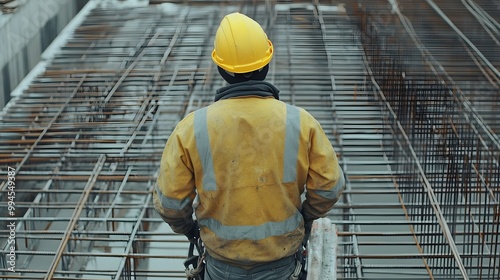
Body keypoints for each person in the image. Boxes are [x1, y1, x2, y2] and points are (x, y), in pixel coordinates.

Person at [153, 12, 345, 280]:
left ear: (221, 69)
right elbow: (328, 188)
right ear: (266, 63)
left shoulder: (191, 128)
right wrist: (305, 217)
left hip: (221, 267)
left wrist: (190, 229)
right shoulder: (301, 122)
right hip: (282, 265)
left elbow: (170, 203)